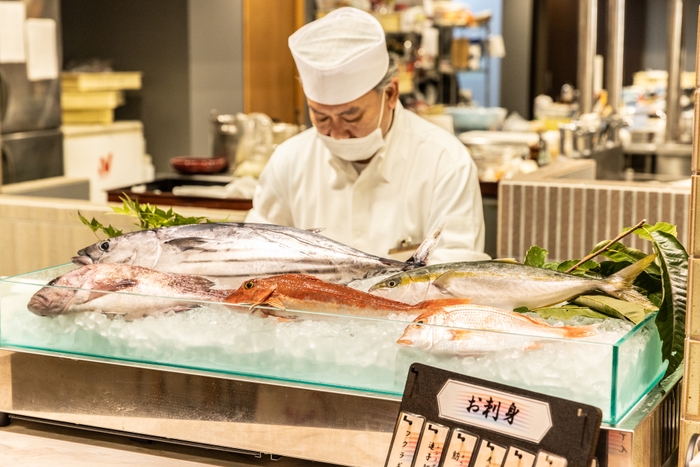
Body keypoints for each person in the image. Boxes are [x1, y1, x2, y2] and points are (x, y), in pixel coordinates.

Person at [246, 7, 489, 263]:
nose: (337, 134)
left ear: (391, 94)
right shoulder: (289, 160)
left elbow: (452, 274)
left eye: (352, 117)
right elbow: (255, 254)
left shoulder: (445, 163)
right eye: (321, 117)